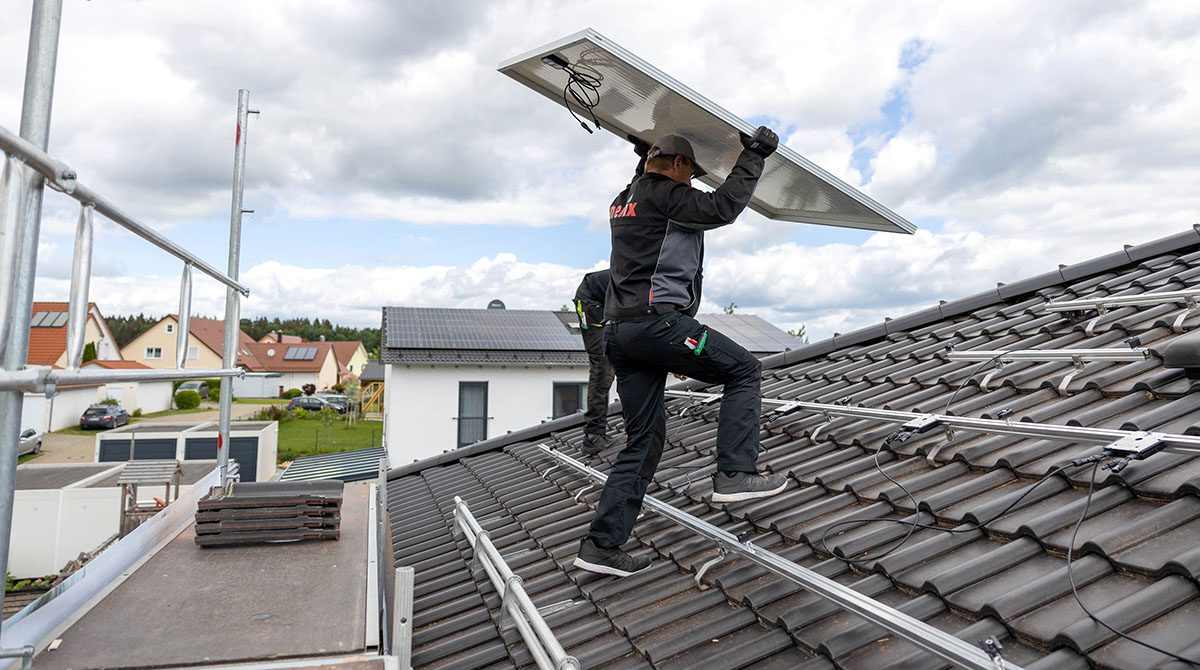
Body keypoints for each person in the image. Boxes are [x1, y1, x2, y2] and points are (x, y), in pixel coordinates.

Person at [574, 127, 788, 577]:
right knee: (744, 371)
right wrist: (753, 156)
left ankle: (600, 546)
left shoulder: (623, 200)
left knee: (644, 442)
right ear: (677, 166)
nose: (691, 184)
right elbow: (722, 207)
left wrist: (644, 154)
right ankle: (735, 474)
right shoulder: (668, 195)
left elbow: (645, 181)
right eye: (691, 174)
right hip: (659, 326)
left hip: (622, 337)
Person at [573, 269, 615, 454]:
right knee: (603, 367)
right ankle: (594, 435)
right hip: (590, 301)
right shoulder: (646, 284)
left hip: (611, 302)